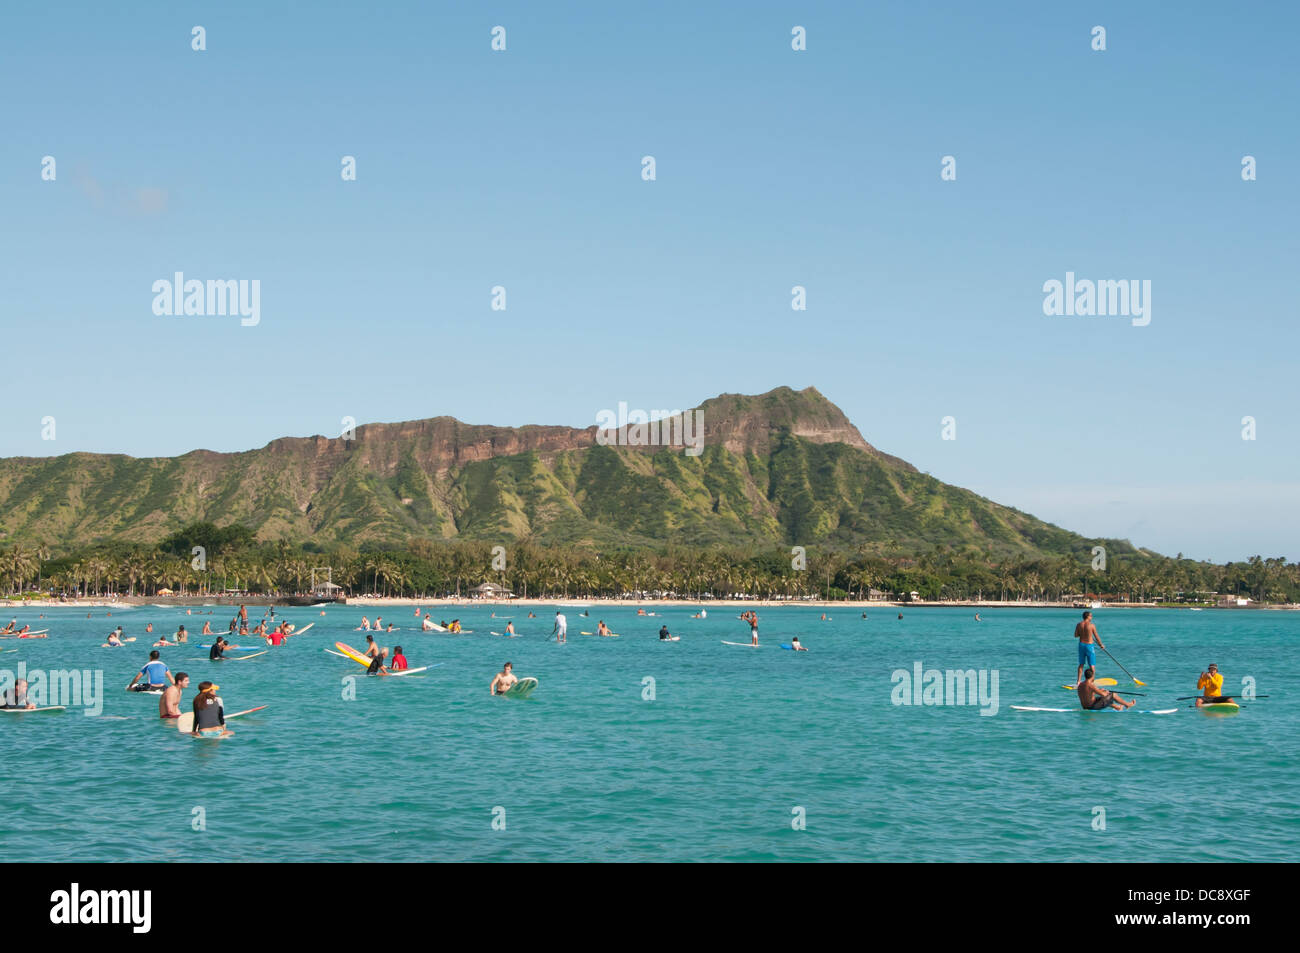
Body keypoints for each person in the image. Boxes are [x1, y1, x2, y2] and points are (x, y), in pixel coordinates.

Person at [1073, 611, 1106, 687]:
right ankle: (1091, 682)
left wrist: (1082, 633)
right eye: (1091, 616)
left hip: (1081, 645)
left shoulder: (1079, 625)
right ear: (1087, 617)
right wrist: (1101, 645)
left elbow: (1075, 635)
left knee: (1081, 664)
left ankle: (1078, 681)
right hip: (1089, 646)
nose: (1092, 617)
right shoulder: (1091, 625)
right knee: (1092, 665)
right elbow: (1097, 636)